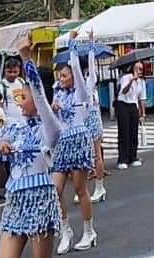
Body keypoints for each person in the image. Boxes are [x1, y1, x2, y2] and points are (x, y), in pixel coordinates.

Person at [0, 52, 62, 258]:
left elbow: (41, 98)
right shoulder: (16, 127)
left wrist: (27, 60)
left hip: (41, 201)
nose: (19, 102)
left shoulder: (50, 129)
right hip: (15, 201)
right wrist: (2, 143)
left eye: (23, 97)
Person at [51, 33, 96, 254]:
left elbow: (78, 72)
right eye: (60, 75)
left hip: (79, 140)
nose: (62, 78)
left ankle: (88, 231)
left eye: (65, 75)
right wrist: (54, 109)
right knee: (55, 188)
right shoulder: (57, 94)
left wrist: (72, 48)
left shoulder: (81, 91)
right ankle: (65, 229)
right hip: (62, 143)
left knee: (80, 189)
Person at [84, 37, 107, 203]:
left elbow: (92, 69)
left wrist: (91, 47)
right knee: (83, 157)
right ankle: (82, 189)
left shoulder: (89, 83)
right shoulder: (76, 86)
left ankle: (99, 187)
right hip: (81, 121)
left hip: (92, 119)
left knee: (96, 155)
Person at [116, 61, 146, 170]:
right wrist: (131, 81)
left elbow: (141, 98)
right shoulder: (126, 77)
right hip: (123, 104)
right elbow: (123, 91)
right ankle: (122, 159)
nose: (140, 71)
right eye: (138, 69)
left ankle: (133, 157)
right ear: (133, 69)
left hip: (133, 106)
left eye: (141, 69)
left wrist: (142, 113)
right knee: (124, 132)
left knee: (134, 132)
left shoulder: (142, 82)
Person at [0, 57, 26, 126]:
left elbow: (25, 98)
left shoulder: (21, 81)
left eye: (15, 72)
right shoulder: (1, 87)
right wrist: (1, 124)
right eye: (9, 72)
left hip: (23, 120)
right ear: (5, 71)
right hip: (9, 122)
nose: (12, 74)